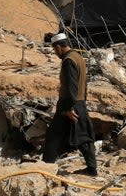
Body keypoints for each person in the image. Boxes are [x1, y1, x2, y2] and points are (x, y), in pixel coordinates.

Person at [42, 32, 98, 176]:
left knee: (54, 136)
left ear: (59, 47)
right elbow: (83, 84)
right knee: (82, 136)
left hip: (69, 105)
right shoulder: (78, 57)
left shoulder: (68, 60)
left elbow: (71, 86)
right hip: (79, 103)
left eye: (55, 50)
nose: (55, 53)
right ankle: (91, 168)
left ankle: (45, 168)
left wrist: (68, 109)